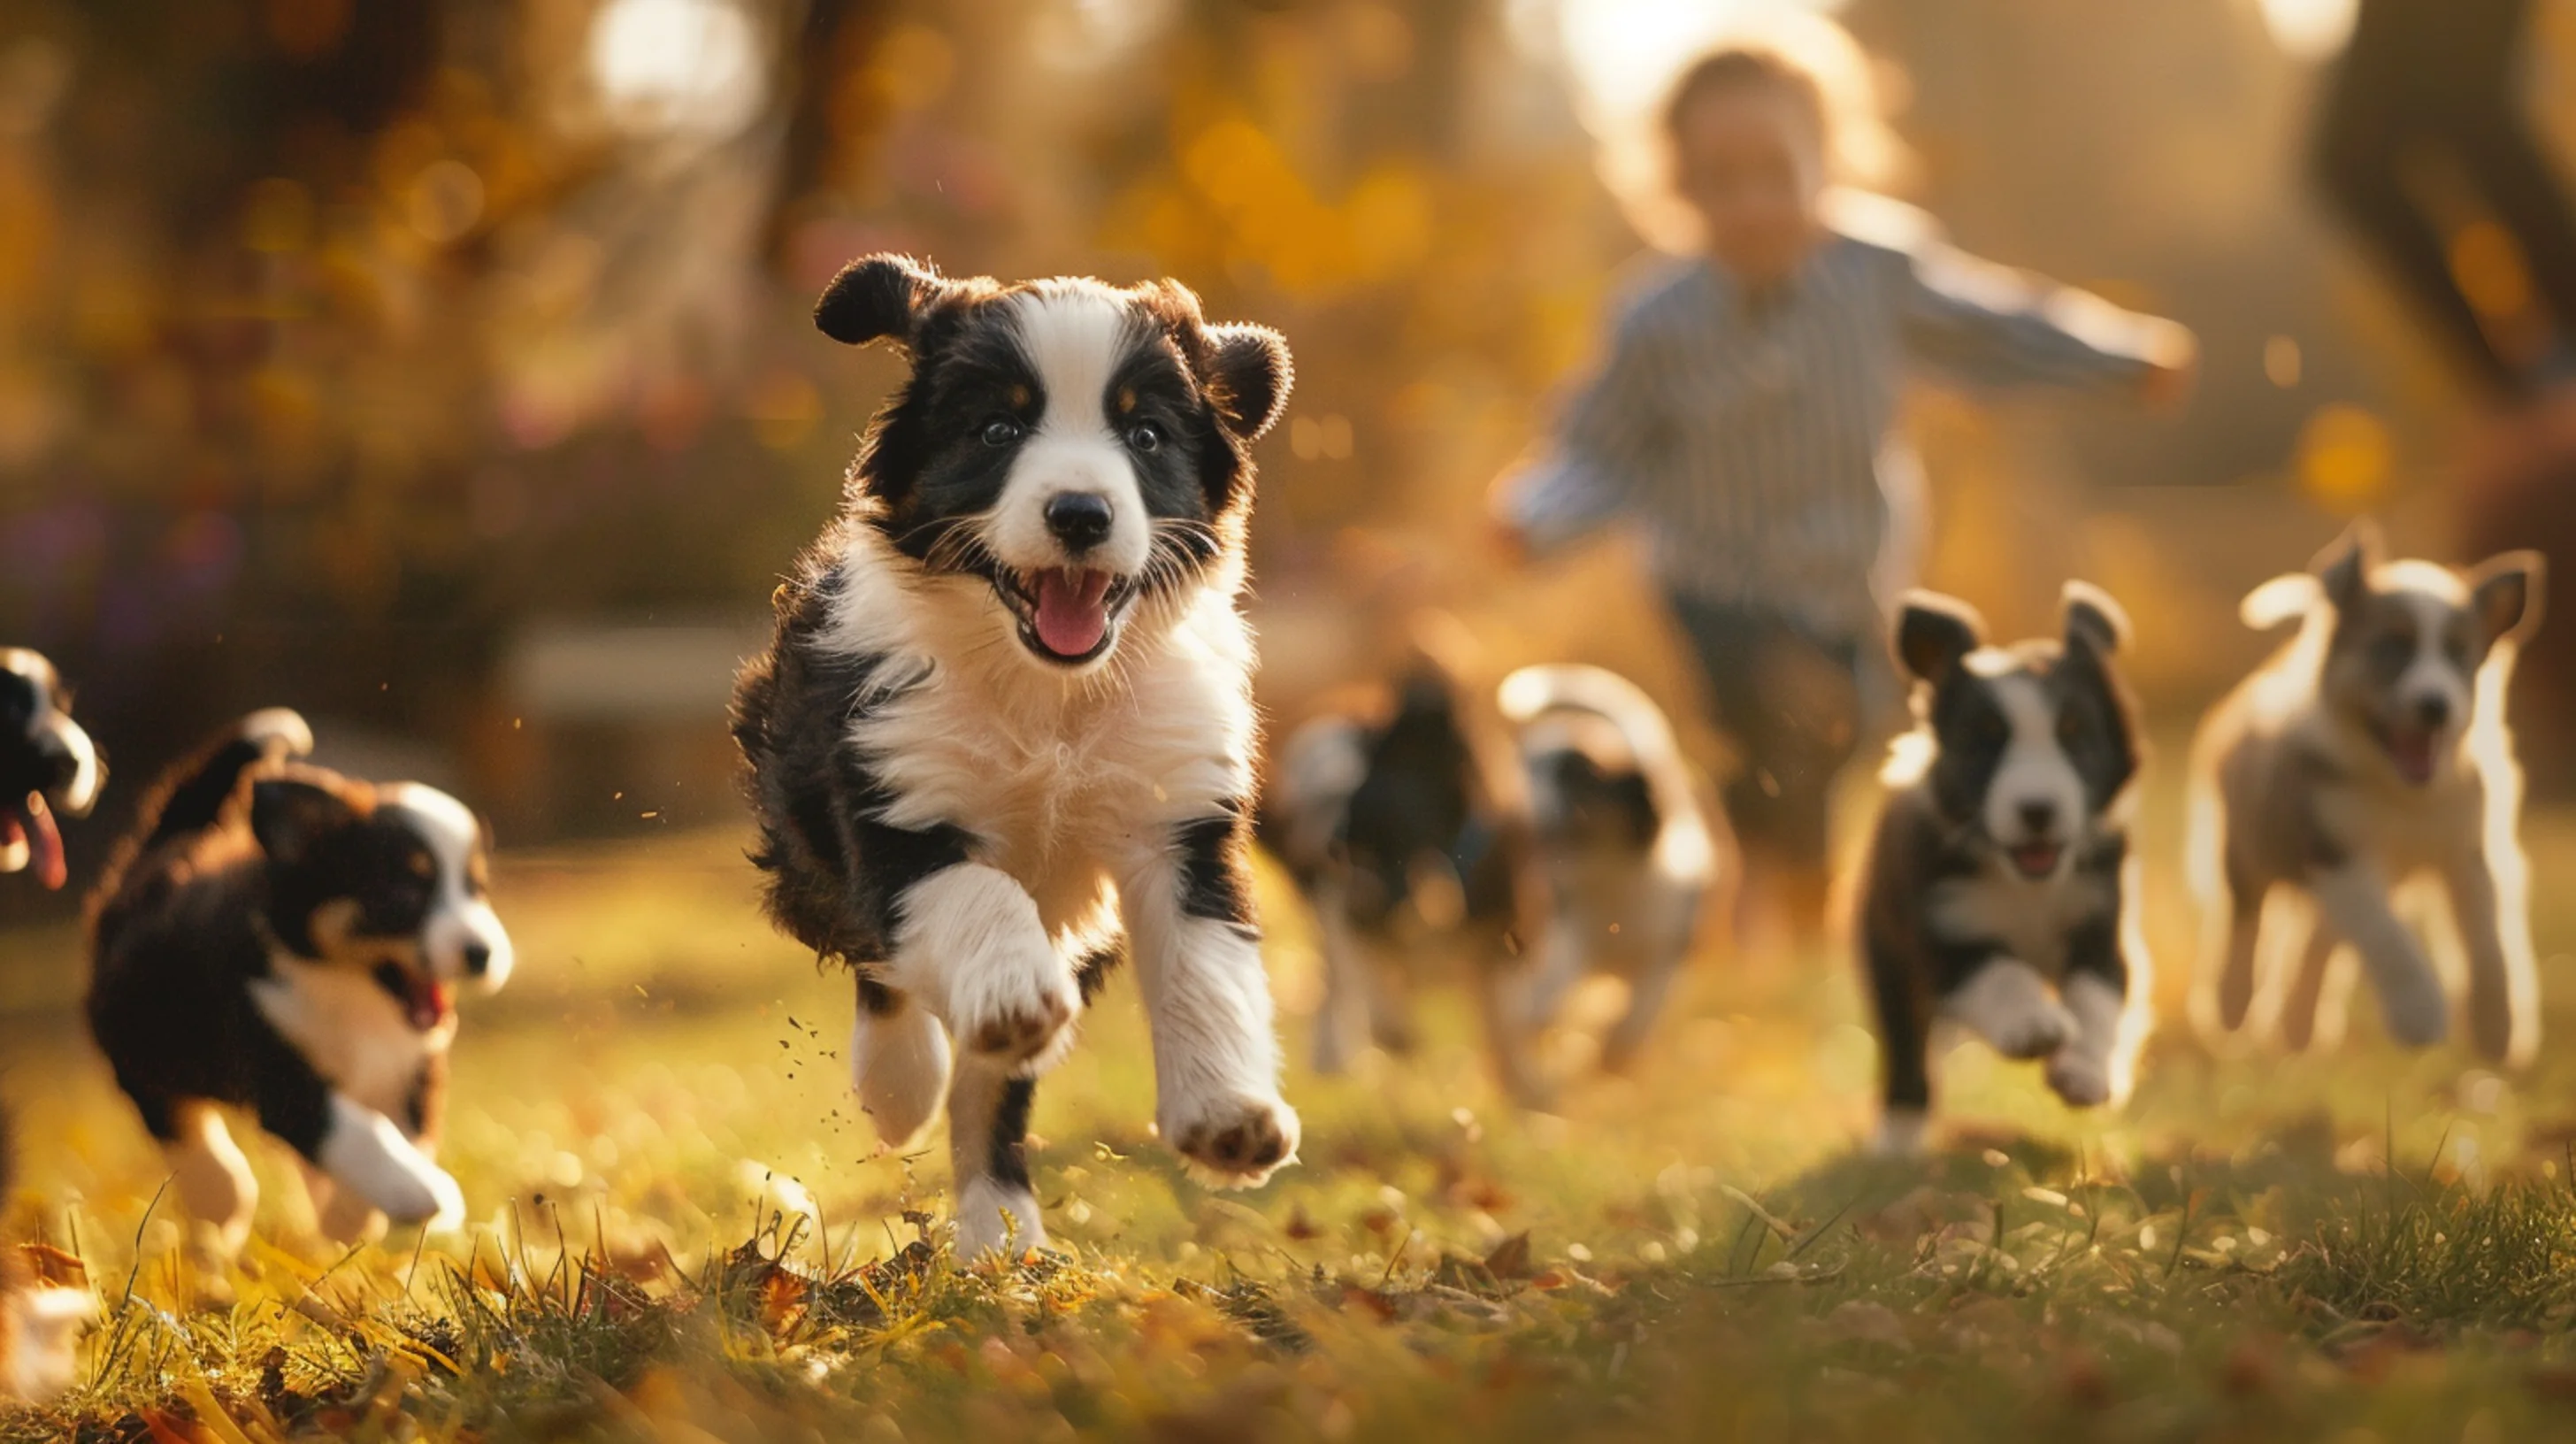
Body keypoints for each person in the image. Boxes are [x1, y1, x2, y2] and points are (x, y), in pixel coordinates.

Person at [1491, 44, 2196, 949]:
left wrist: (2120, 357)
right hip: (1715, 589)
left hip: (1846, 581)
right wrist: (1531, 518)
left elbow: (1989, 331)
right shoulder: (1655, 320)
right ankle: (1777, 907)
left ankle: (1767, 885)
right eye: (1717, 180)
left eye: (1773, 174)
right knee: (1782, 715)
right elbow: (1600, 450)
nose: (1748, 204)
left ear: (1829, 163)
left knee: (1834, 737)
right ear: (1673, 188)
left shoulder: (1875, 272)